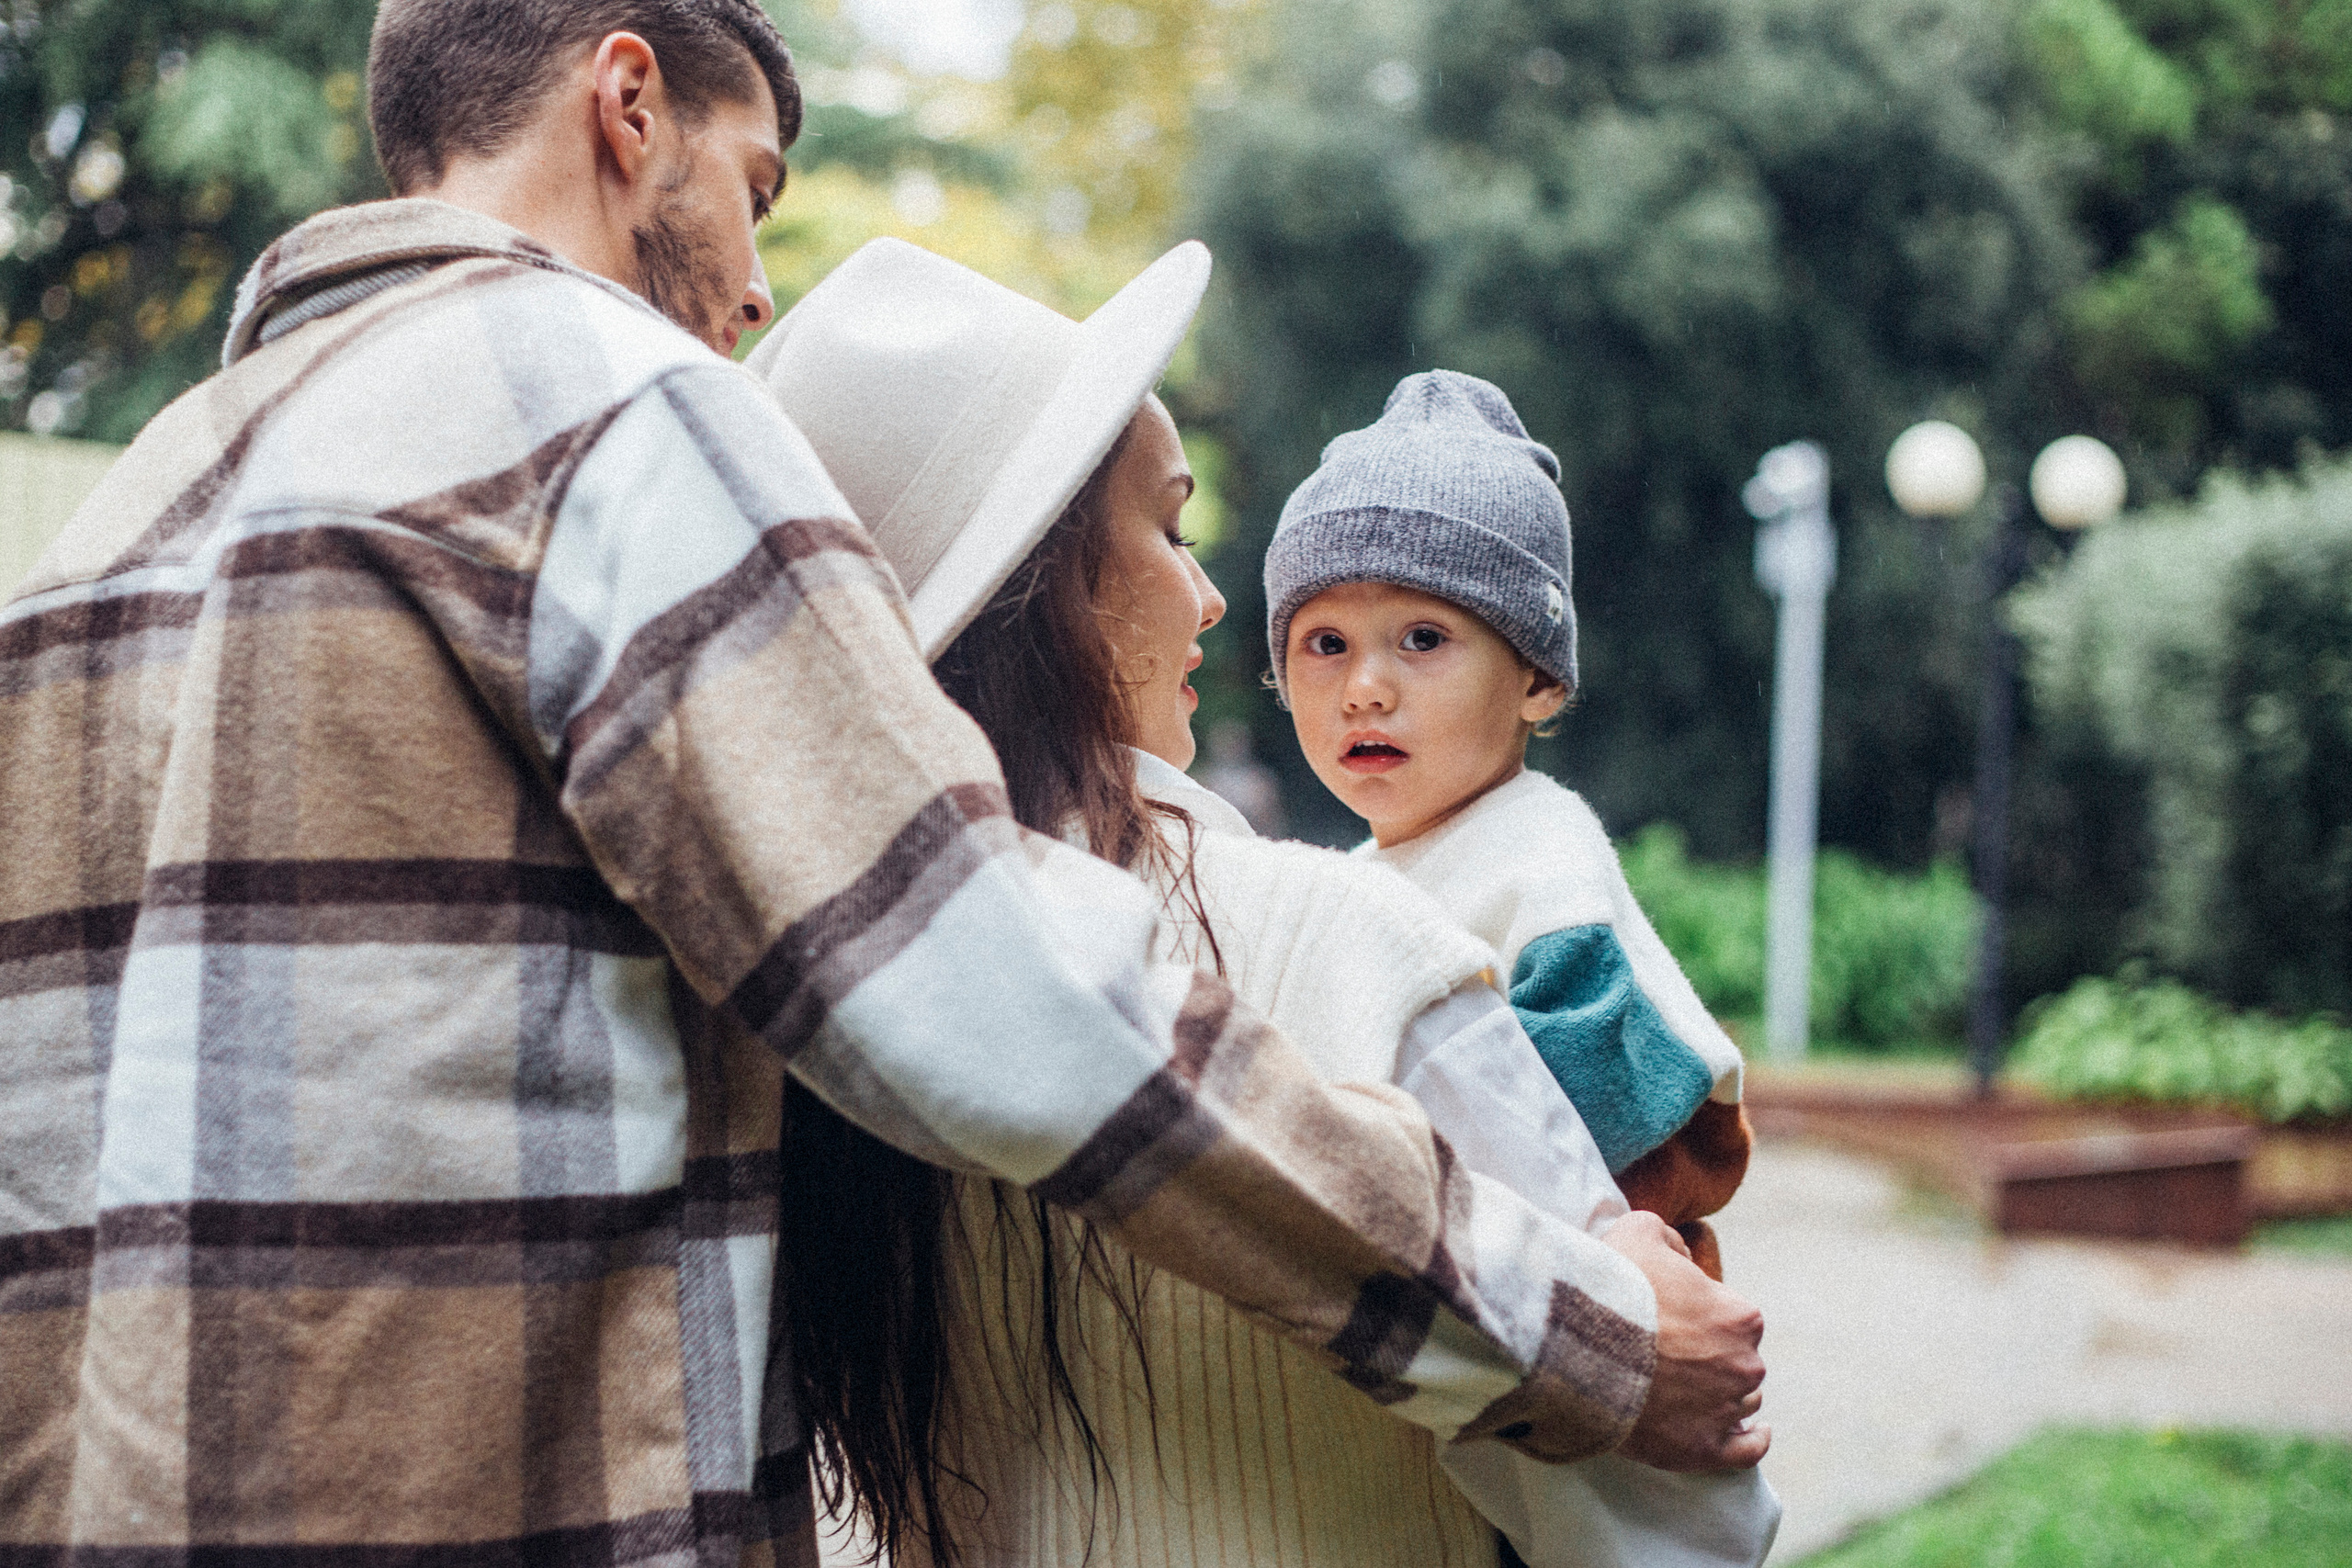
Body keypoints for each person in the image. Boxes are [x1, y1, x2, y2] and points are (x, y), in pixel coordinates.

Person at [0, 7, 1748, 1568]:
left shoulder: (113, 530)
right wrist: (1575, 1328)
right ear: (628, 103)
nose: (757, 292)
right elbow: (989, 986)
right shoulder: (607, 408)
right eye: (755, 190)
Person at [751, 241, 1771, 1567]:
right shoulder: (1350, 949)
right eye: (1172, 529)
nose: (1212, 595)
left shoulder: (813, 1015)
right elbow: (1683, 1517)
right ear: (1050, 583)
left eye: (1422, 638)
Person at [1269, 369, 1756, 1281]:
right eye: (1325, 644)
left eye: (1422, 638)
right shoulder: (1367, 870)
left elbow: (1580, 1126)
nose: (1364, 687)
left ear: (1537, 678)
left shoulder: (1539, 859)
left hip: (1584, 1297)